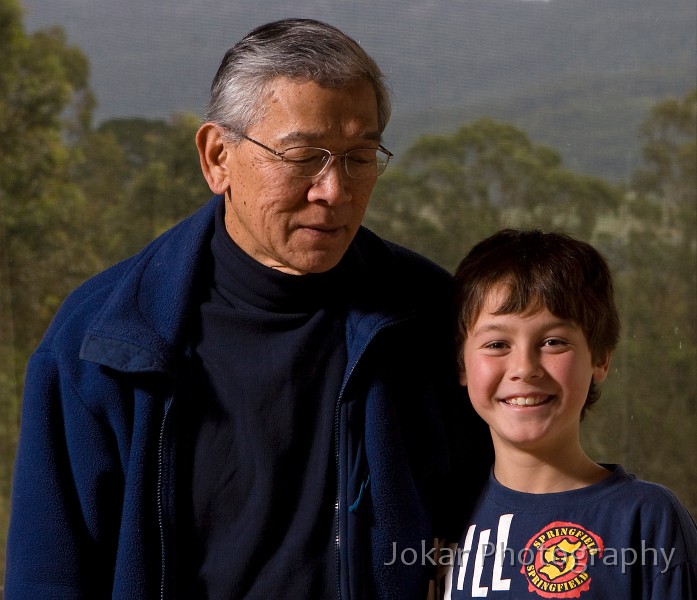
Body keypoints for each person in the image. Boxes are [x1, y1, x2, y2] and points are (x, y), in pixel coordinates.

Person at [5, 18, 490, 600]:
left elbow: (494, 525)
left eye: (359, 158)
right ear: (217, 158)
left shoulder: (433, 320)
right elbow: (48, 577)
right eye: (304, 156)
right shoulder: (98, 341)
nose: (333, 190)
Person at [437, 229, 697, 598]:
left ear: (600, 358)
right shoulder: (439, 513)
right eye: (497, 344)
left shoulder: (646, 520)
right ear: (461, 363)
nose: (524, 368)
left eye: (553, 342)